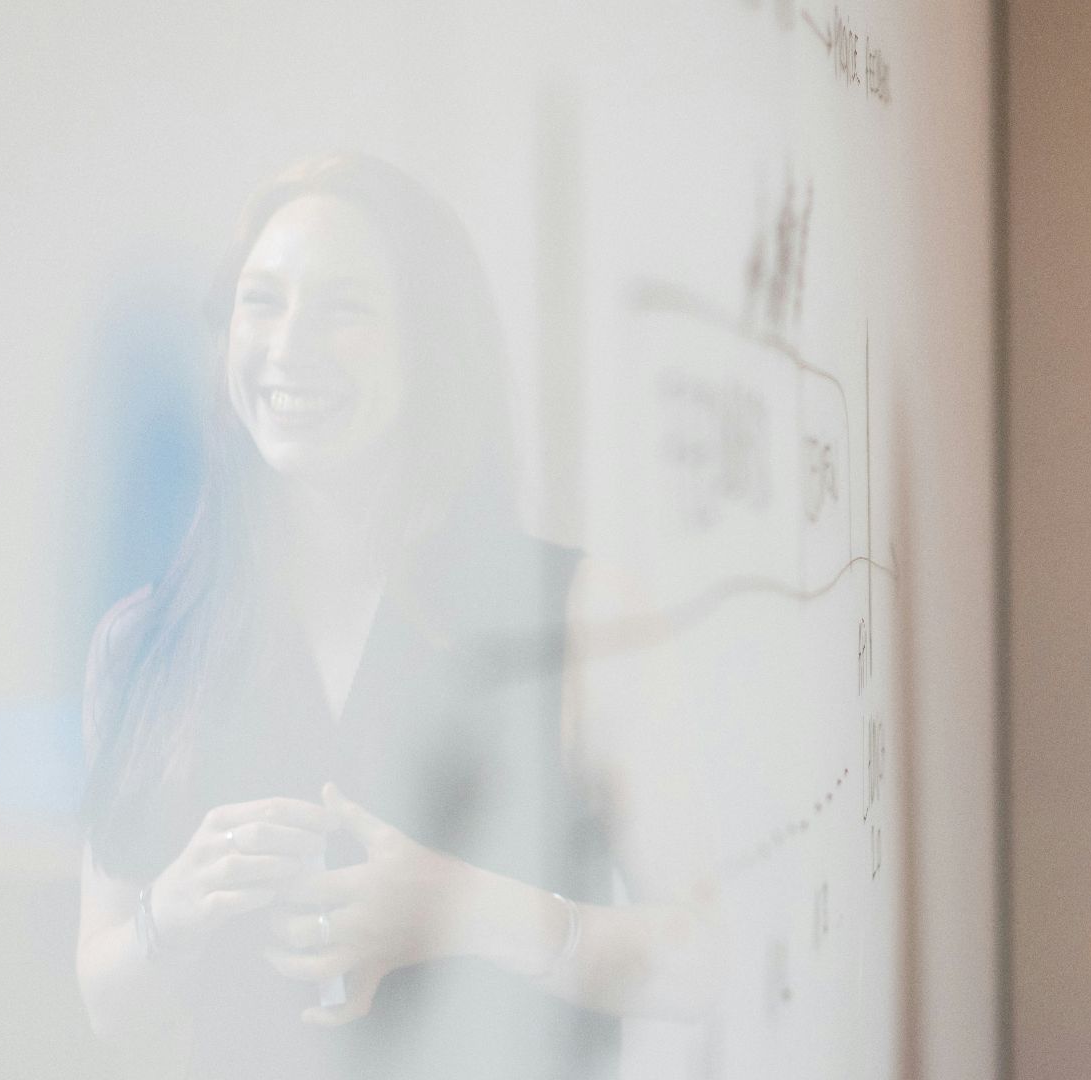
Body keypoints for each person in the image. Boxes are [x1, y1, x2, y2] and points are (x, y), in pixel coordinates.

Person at [75, 155, 699, 1079]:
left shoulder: (583, 617)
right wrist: (175, 905)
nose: (289, 346)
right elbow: (107, 1009)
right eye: (262, 301)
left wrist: (466, 911)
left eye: (345, 309)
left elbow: (711, 956)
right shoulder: (143, 644)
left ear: (432, 350)